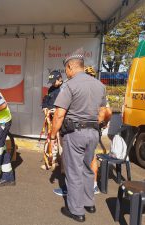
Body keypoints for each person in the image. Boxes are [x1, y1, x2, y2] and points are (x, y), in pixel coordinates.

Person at [49, 48, 110, 222]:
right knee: (87, 168)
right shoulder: (99, 85)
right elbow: (103, 112)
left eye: (66, 69)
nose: (66, 73)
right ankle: (89, 203)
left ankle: (77, 211)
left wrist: (53, 136)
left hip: (75, 134)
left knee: (74, 171)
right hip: (93, 133)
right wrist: (99, 127)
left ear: (70, 66)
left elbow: (59, 115)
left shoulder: (70, 85)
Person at [53, 66, 112, 196]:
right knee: (90, 159)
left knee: (72, 161)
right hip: (93, 130)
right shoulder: (98, 88)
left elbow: (60, 112)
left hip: (74, 130)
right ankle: (93, 186)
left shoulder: (75, 86)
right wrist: (101, 123)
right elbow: (108, 112)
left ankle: (70, 190)